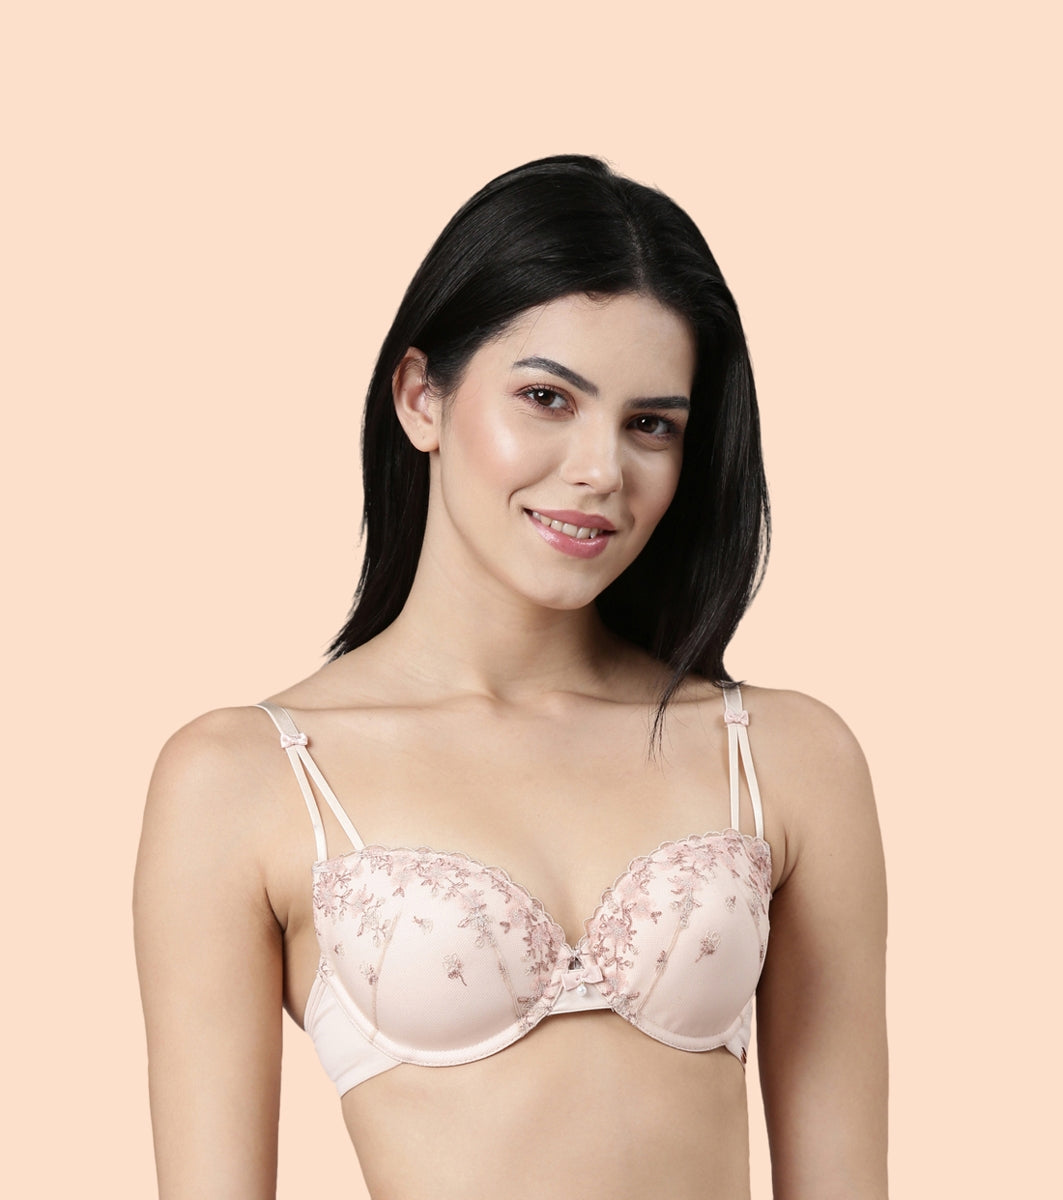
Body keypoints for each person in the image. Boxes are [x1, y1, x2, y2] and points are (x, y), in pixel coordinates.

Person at [134, 154, 888, 1199]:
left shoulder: (784, 757)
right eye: (545, 397)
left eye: (651, 424)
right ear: (420, 399)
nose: (600, 470)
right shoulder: (243, 779)